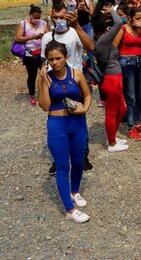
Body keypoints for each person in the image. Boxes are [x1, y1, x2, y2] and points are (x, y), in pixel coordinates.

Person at [37, 41, 92, 222]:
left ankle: (75, 191)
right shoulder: (46, 78)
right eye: (51, 59)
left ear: (65, 57)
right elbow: (45, 106)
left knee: (78, 161)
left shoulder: (76, 74)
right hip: (57, 124)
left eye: (58, 58)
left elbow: (88, 94)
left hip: (78, 123)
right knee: (62, 166)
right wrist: (44, 82)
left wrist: (84, 109)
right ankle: (69, 210)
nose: (54, 62)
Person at [42, 3, 96, 174]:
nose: (59, 21)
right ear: (51, 17)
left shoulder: (74, 33)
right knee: (56, 120)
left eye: (62, 17)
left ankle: (82, 156)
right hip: (54, 84)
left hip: (74, 82)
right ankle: (59, 160)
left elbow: (91, 47)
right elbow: (44, 61)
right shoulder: (47, 37)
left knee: (78, 119)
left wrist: (77, 25)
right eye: (55, 17)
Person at [92, 0, 129, 152]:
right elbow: (119, 23)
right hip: (111, 80)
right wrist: (111, 10)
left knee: (122, 109)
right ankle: (112, 143)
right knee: (112, 112)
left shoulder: (102, 41)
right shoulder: (103, 41)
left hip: (115, 79)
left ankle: (111, 136)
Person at [112, 7, 141, 141]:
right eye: (137, 18)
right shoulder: (123, 29)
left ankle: (137, 121)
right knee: (130, 95)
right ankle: (131, 126)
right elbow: (114, 46)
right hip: (126, 62)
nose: (140, 21)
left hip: (140, 61)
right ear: (129, 18)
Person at [15, 5, 48, 106]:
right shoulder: (23, 24)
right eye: (35, 17)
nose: (37, 20)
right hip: (29, 52)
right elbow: (18, 38)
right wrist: (32, 37)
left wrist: (44, 36)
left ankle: (46, 93)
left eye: (39, 17)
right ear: (30, 15)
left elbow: (48, 35)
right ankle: (32, 95)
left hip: (42, 52)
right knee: (32, 75)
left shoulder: (44, 23)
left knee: (46, 73)